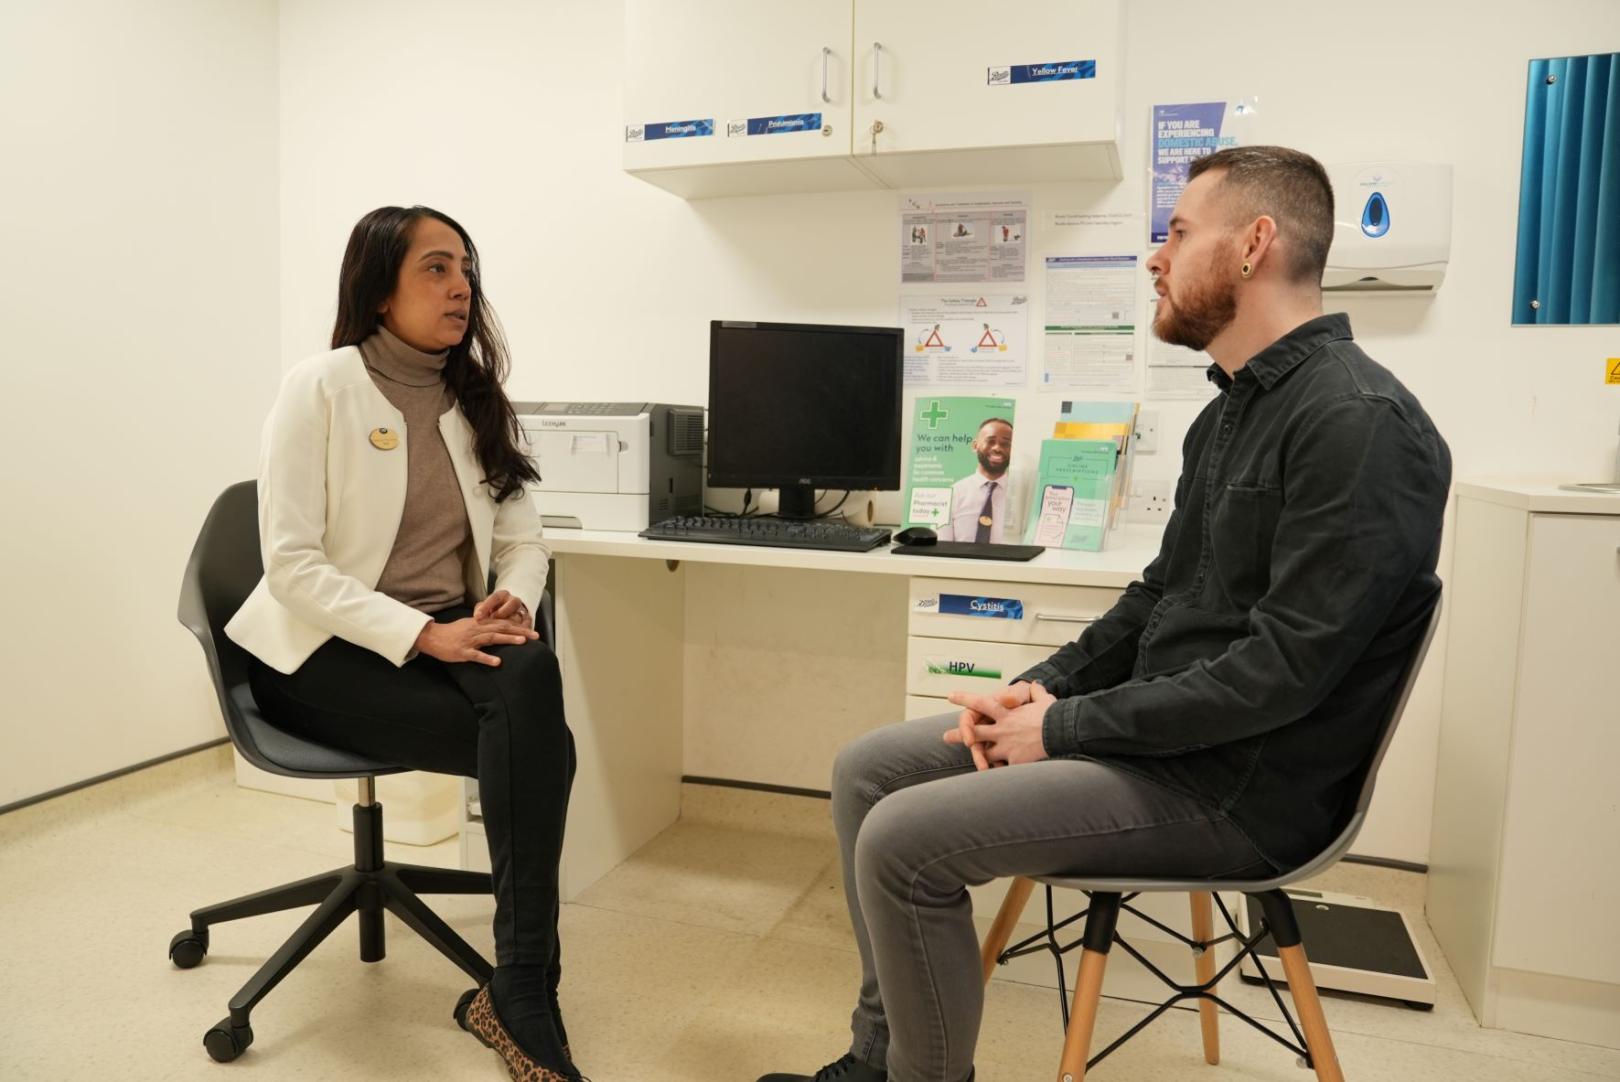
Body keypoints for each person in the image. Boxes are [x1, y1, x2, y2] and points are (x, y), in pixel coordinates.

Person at [758, 145, 1451, 1082]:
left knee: (904, 843)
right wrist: (1038, 689)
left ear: (1254, 244)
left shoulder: (1360, 425)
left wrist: (1068, 728)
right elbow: (1159, 597)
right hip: (1168, 744)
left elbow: (1280, 674)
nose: (1156, 260)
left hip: (1237, 789)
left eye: (1175, 233)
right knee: (869, 771)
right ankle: (877, 1061)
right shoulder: (1231, 415)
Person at [226, 206, 586, 1081]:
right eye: (434, 268)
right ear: (379, 291)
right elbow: (292, 566)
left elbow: (524, 535)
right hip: (319, 654)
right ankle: (525, 986)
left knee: (529, 678)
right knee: (540, 746)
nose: (460, 285)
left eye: (464, 268)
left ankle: (519, 984)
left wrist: (508, 601)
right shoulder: (320, 386)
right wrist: (425, 632)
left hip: (453, 643)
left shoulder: (473, 397)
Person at [935, 418, 1028, 544]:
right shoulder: (950, 494)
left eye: (1006, 444)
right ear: (975, 445)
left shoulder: (1023, 499)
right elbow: (940, 547)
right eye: (991, 441)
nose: (997, 448)